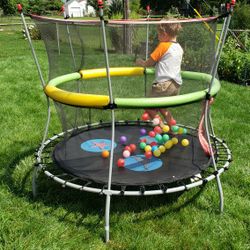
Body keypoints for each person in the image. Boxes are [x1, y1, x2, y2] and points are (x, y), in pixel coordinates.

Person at [136, 20, 183, 125]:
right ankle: (172, 129)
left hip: (164, 85)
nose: (158, 37)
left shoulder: (163, 46)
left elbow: (150, 62)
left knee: (147, 104)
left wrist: (142, 63)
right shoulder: (179, 47)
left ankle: (160, 126)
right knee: (162, 107)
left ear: (165, 34)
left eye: (159, 34)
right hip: (176, 85)